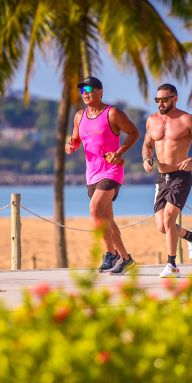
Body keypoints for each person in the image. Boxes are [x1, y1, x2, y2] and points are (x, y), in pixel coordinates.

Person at [66, 76, 140, 274]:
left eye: (90, 89)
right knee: (106, 219)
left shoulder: (112, 113)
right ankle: (126, 259)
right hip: (92, 174)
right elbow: (75, 140)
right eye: (82, 91)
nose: (86, 94)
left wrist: (120, 152)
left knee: (94, 208)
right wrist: (71, 145)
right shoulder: (79, 116)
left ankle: (111, 253)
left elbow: (134, 133)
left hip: (112, 169)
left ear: (100, 91)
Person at [142, 84, 192, 278]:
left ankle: (172, 265)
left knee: (169, 218)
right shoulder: (152, 121)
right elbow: (147, 144)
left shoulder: (187, 120)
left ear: (175, 98)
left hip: (181, 176)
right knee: (162, 226)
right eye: (158, 100)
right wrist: (147, 159)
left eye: (165, 99)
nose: (161, 103)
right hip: (161, 178)